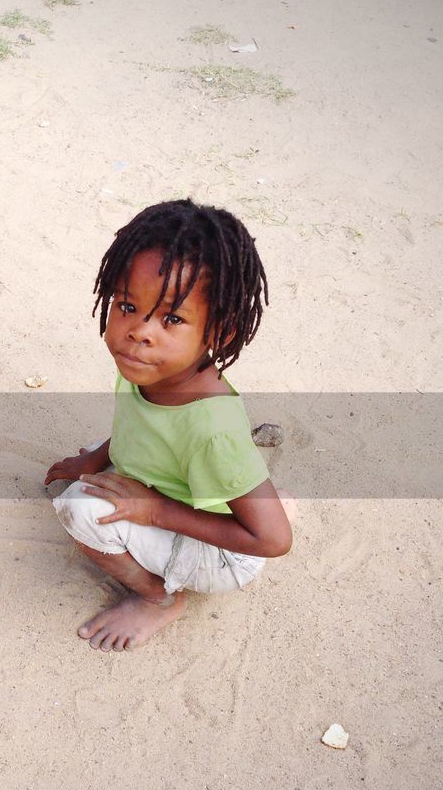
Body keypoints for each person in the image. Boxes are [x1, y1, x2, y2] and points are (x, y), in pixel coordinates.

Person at [45, 199, 295, 653]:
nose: (140, 331)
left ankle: (158, 598)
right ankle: (249, 495)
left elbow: (274, 539)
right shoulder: (149, 364)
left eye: (172, 319)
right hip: (175, 493)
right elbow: (136, 428)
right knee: (95, 479)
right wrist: (92, 459)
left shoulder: (210, 426)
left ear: (219, 333)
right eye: (127, 306)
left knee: (78, 508)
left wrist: (153, 511)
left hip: (226, 555)